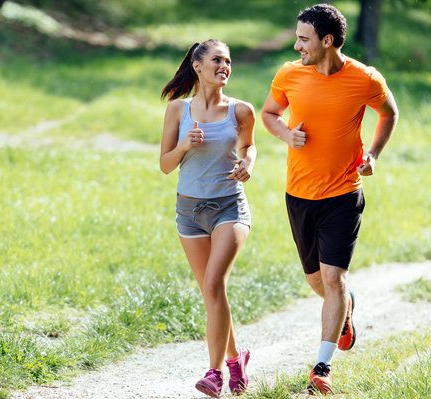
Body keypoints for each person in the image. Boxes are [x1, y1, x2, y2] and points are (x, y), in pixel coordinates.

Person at [260, 3, 399, 395]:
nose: (296, 45)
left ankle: (322, 367)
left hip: (343, 194)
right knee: (317, 281)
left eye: (303, 39)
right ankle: (346, 308)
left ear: (327, 41)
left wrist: (373, 154)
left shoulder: (364, 78)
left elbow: (389, 114)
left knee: (334, 278)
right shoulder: (289, 74)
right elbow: (269, 113)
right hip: (299, 194)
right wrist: (286, 135)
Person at [159, 39, 256, 398]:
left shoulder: (241, 110)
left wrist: (248, 162)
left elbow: (249, 145)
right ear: (198, 66)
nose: (224, 66)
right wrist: (184, 145)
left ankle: (214, 373)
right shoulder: (177, 111)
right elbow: (165, 165)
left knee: (214, 285)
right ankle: (236, 360)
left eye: (228, 61)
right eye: (217, 60)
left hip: (229, 207)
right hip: (189, 211)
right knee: (211, 293)